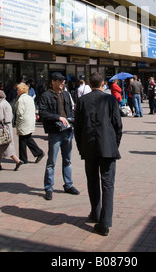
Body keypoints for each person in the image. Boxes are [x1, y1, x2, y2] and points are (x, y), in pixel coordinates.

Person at [75, 72, 122, 237]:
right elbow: (117, 125)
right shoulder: (110, 100)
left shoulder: (82, 101)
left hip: (89, 146)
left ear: (89, 83)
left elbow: (78, 128)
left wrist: (81, 147)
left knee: (92, 181)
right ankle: (105, 221)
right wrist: (115, 145)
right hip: (107, 147)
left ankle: (96, 213)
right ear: (103, 84)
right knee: (108, 184)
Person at [39, 72, 80, 200]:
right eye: (60, 80)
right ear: (53, 81)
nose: (63, 83)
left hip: (67, 131)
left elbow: (70, 110)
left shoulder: (66, 94)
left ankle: (68, 185)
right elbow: (43, 113)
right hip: (55, 132)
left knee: (67, 160)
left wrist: (71, 119)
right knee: (51, 161)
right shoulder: (46, 95)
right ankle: (48, 188)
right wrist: (58, 118)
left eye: (63, 81)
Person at [0, 90, 23, 171]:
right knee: (0, 146)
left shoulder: (0, 105)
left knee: (5, 145)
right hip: (7, 127)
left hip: (1, 128)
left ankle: (17, 161)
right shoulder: (6, 103)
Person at [15, 83, 44, 164]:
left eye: (18, 90)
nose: (17, 91)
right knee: (27, 138)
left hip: (23, 122)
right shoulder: (30, 98)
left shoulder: (21, 100)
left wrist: (17, 121)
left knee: (23, 140)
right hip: (30, 121)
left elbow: (19, 112)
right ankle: (36, 153)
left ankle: (26, 157)